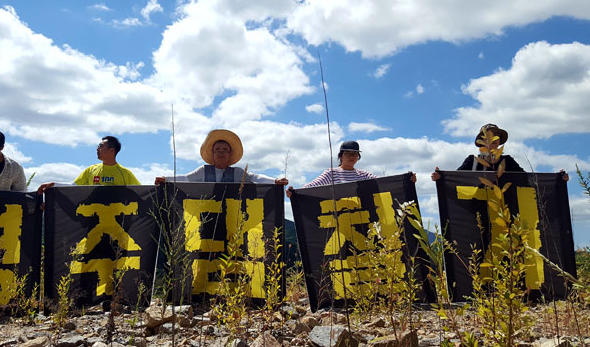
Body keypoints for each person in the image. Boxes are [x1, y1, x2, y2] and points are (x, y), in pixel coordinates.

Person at [431, 123, 568, 181]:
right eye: (489, 136)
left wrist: (558, 179)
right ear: (482, 141)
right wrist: (440, 177)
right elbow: (456, 180)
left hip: (506, 214)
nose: (494, 139)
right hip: (478, 216)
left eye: (496, 136)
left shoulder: (507, 161)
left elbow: (528, 180)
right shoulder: (472, 161)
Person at [154, 129, 289, 185]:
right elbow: (186, 178)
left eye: (225, 150)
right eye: (217, 149)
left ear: (229, 154)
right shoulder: (203, 171)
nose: (221, 152)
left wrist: (275, 181)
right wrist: (165, 179)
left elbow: (255, 177)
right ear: (212, 153)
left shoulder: (237, 173)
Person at [286, 141, 415, 197]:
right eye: (348, 154)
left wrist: (407, 181)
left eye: (355, 154)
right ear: (341, 156)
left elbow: (384, 182)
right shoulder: (331, 173)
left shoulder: (363, 174)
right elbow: (312, 186)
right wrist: (295, 192)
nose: (351, 157)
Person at [38, 136, 140, 193]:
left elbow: (143, 193)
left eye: (100, 146)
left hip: (118, 225)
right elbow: (72, 188)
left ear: (112, 150)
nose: (97, 149)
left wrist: (156, 186)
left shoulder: (125, 173)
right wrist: (54, 185)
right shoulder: (91, 170)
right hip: (93, 222)